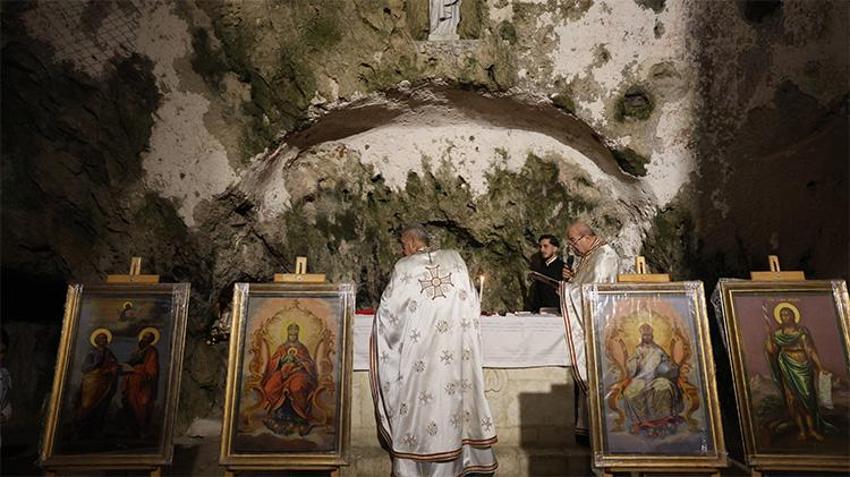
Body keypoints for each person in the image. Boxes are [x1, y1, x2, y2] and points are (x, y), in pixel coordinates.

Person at [370, 225, 497, 476]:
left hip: (420, 357)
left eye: (402, 245)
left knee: (420, 409)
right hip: (455, 354)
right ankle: (459, 463)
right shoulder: (456, 260)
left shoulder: (404, 268)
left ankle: (417, 467)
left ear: (412, 242)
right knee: (454, 404)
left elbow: (388, 311)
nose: (402, 250)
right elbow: (471, 304)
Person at [559, 221, 620, 441]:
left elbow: (594, 298)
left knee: (598, 378)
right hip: (589, 328)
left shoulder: (604, 257)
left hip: (600, 331)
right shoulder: (589, 257)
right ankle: (587, 430)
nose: (571, 247)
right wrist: (570, 281)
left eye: (573, 241)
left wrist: (567, 291)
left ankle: (604, 437)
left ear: (585, 237)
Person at [765, 302, 831, 441]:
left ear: (793, 316)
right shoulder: (777, 334)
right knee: (793, 399)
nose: (785, 317)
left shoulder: (801, 332)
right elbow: (772, 351)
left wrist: (819, 367)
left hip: (803, 365)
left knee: (807, 398)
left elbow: (811, 350)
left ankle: (812, 430)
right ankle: (802, 431)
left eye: (787, 314)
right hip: (786, 365)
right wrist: (769, 339)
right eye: (782, 315)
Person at [622, 324, 684, 437]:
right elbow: (631, 367)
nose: (647, 337)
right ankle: (641, 421)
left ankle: (663, 420)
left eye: (649, 335)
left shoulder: (658, 350)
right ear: (641, 336)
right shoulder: (638, 350)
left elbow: (668, 364)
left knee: (664, 387)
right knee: (629, 393)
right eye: (645, 335)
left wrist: (669, 367)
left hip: (657, 378)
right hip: (641, 378)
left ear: (652, 335)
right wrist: (637, 362)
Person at [260, 323, 319, 436]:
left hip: (299, 372)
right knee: (270, 386)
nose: (292, 336)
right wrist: (282, 359)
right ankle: (279, 415)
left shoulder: (302, 348)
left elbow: (310, 364)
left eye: (294, 334)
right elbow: (273, 363)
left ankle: (299, 417)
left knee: (296, 387)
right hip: (283, 372)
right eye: (290, 334)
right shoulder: (282, 347)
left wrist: (299, 361)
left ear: (297, 334)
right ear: (287, 333)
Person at [74, 329, 120, 438]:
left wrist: (114, 368)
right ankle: (80, 429)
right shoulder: (92, 352)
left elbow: (115, 364)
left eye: (105, 338)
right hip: (92, 383)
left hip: (104, 384)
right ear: (96, 340)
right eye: (101, 338)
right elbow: (84, 368)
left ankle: (96, 430)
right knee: (87, 405)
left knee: (101, 407)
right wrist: (96, 364)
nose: (104, 340)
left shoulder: (109, 353)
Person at [122, 328, 159, 438]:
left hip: (143, 383)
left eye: (147, 338)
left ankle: (142, 429)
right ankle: (132, 430)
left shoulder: (152, 351)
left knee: (142, 405)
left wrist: (139, 370)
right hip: (132, 381)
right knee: (129, 403)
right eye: (144, 337)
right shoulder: (137, 351)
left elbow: (152, 368)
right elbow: (129, 362)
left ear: (151, 340)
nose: (144, 340)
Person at [528, 234, 564, 313]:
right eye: (540, 247)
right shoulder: (540, 268)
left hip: (557, 312)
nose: (542, 250)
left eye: (546, 246)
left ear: (555, 248)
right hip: (540, 312)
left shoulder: (563, 267)